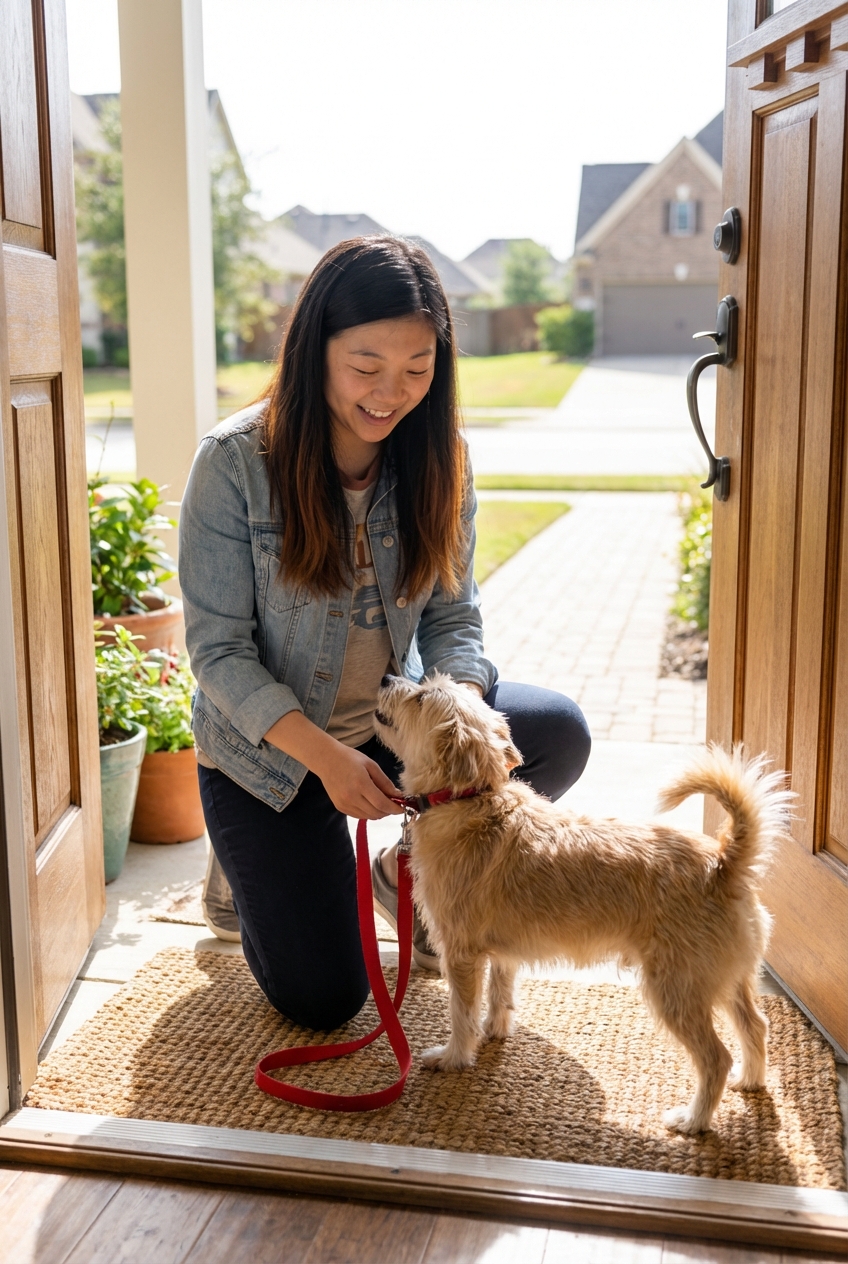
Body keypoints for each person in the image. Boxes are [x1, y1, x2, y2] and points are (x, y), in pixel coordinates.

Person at [179, 236, 591, 1033]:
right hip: (271, 757)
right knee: (325, 1000)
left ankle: (404, 870)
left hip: (387, 730)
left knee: (555, 735)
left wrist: (461, 711)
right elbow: (218, 655)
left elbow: (451, 614)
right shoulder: (233, 464)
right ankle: (239, 867)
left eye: (418, 366)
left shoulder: (443, 459)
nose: (391, 392)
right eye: (366, 365)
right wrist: (327, 760)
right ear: (315, 351)